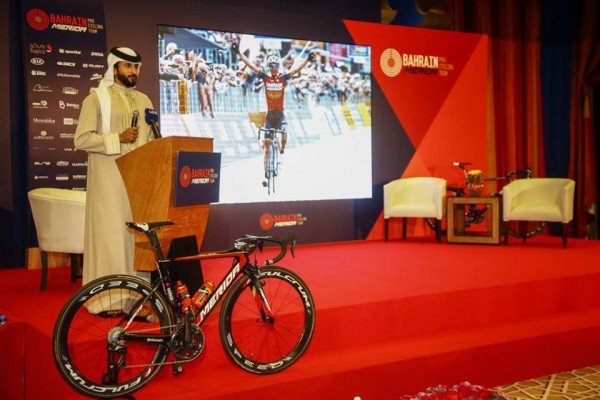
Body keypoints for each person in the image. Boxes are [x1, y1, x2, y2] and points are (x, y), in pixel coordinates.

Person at [74, 47, 154, 285]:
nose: (133, 71)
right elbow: (82, 139)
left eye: (136, 67)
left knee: (136, 240)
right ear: (115, 67)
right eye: (128, 66)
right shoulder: (96, 99)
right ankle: (108, 300)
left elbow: (150, 139)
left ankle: (137, 298)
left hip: (136, 182)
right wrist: (117, 138)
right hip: (108, 183)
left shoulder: (144, 100)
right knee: (111, 238)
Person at [231, 42, 317, 174]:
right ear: (268, 67)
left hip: (280, 113)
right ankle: (266, 172)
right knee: (266, 145)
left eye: (275, 65)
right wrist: (239, 53)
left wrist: (307, 59)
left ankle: (282, 150)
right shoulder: (265, 77)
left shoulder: (283, 78)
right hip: (270, 115)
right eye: (271, 65)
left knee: (285, 131)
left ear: (278, 66)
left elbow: (297, 70)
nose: (273, 67)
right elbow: (250, 65)